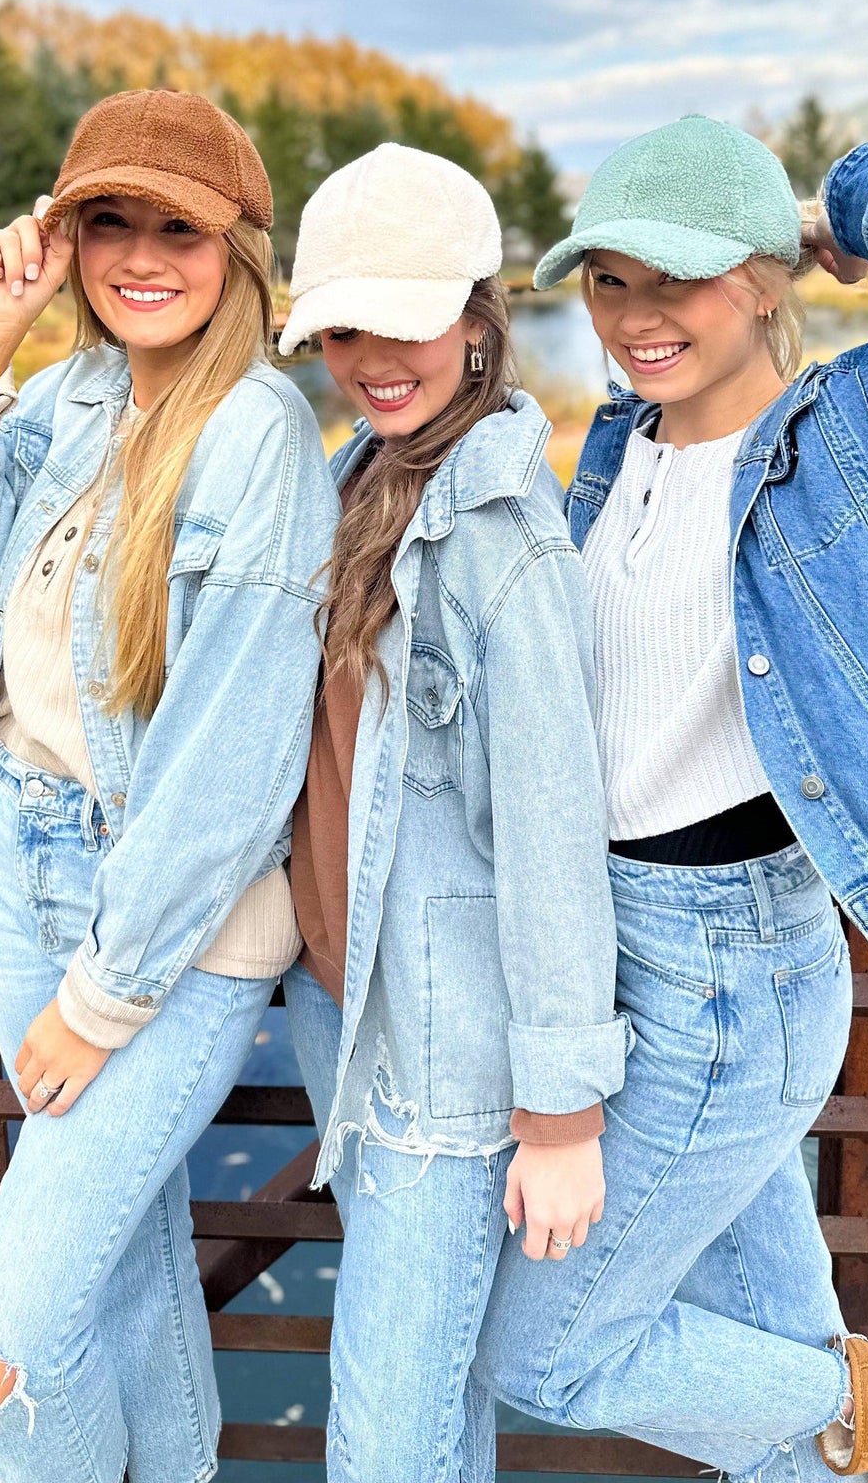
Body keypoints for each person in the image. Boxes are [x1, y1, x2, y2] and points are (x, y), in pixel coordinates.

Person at [465, 117, 868, 1482]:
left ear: (762, 282)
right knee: (773, 1359)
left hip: (728, 975)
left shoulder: (859, 442)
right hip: (616, 954)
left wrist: (837, 215)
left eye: (678, 280)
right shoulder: (617, 449)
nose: (634, 318)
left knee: (545, 1354)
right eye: (610, 282)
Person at [0, 88, 337, 1483]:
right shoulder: (70, 396)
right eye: (108, 222)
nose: (141, 256)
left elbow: (232, 766)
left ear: (238, 250)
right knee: (124, 1271)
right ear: (64, 239)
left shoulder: (258, 435)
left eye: (178, 229)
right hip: (21, 863)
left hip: (168, 927)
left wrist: (106, 995)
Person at [272, 143, 628, 1479]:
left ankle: (861, 1412)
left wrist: (562, 1118)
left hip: (446, 1049)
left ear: (479, 319)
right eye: (343, 328)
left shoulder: (505, 544)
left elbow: (552, 839)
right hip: (348, 1007)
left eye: (405, 322)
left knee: (386, 1439)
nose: (372, 358)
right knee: (427, 1415)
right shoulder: (359, 477)